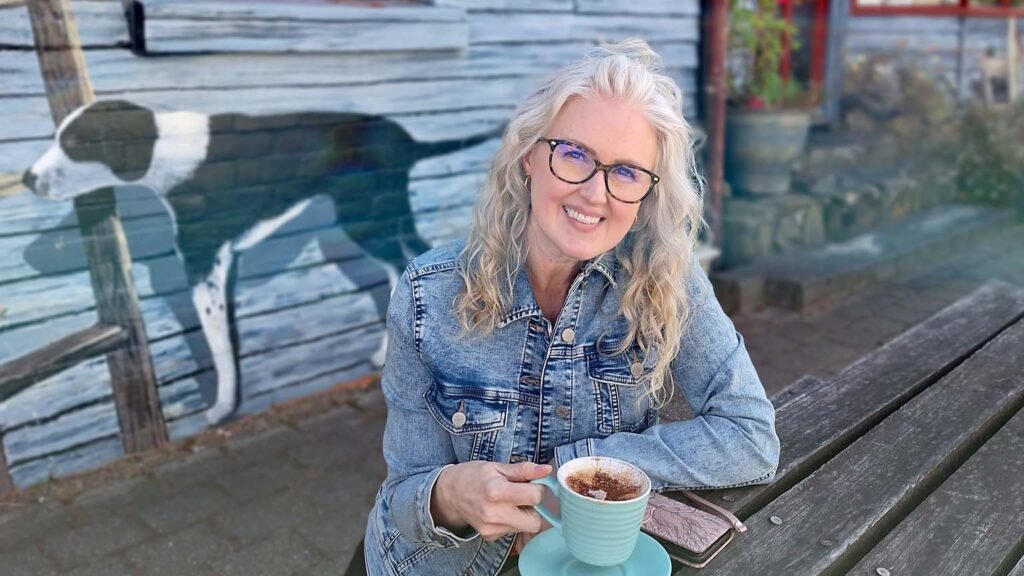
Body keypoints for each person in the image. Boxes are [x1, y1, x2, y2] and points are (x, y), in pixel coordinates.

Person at [360, 39, 780, 576]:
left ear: (648, 195)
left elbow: (750, 437)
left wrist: (574, 468)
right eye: (575, 154)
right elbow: (403, 494)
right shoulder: (428, 294)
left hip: (595, 561)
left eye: (626, 172)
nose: (594, 194)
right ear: (530, 157)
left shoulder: (667, 279)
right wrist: (451, 493)